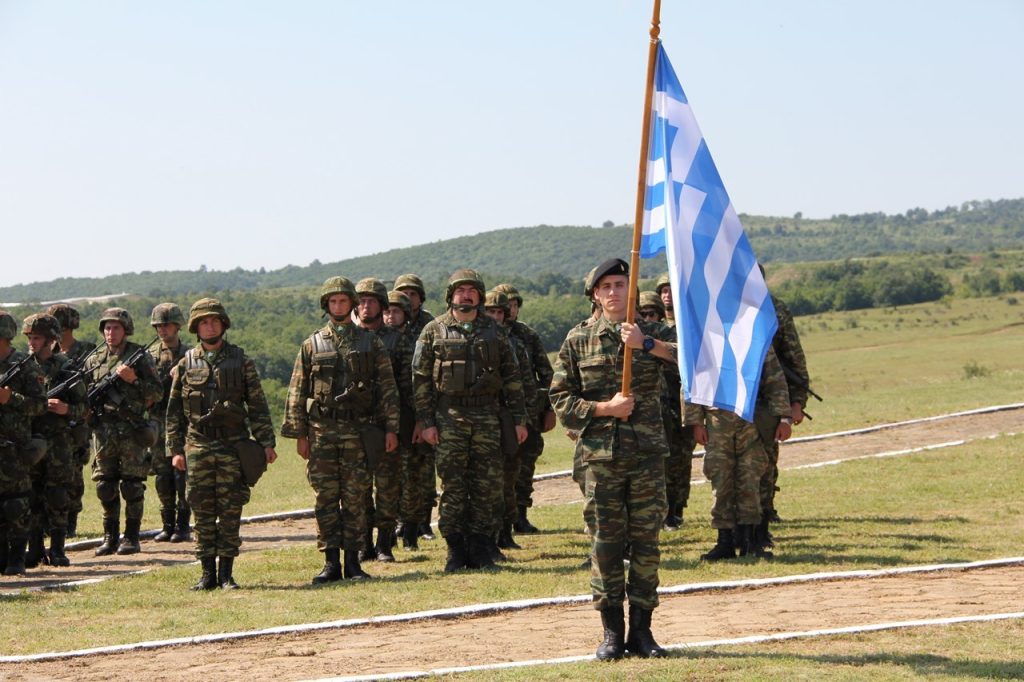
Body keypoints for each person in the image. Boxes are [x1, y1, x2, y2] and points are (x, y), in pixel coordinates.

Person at [549, 258, 676, 660]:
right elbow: (560, 399)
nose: (614, 293)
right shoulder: (578, 340)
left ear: (631, 290)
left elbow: (695, 361)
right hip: (599, 460)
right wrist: (605, 409)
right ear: (595, 295)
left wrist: (647, 345)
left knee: (646, 545)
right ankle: (610, 632)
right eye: (605, 286)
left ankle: (642, 631)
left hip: (646, 456)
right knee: (605, 545)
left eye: (621, 284)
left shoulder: (653, 332)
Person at [281, 277, 399, 585]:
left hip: (358, 431)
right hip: (322, 431)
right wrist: (300, 434)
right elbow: (297, 390)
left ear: (352, 303)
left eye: (343, 301)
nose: (337, 306)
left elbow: (387, 388)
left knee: (356, 498)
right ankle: (330, 561)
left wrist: (391, 428)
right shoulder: (312, 344)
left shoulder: (370, 343)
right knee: (326, 499)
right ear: (326, 306)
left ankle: (353, 561)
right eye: (332, 302)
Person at [412, 269, 528, 572]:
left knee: (486, 485)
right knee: (453, 483)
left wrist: (519, 420)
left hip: (487, 416)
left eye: (472, 290)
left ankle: (481, 547)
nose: (466, 295)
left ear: (479, 295)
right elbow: (421, 379)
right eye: (460, 290)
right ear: (451, 295)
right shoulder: (433, 330)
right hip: (449, 417)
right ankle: (455, 549)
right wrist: (426, 421)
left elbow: (512, 377)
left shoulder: (495, 331)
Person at [166, 298, 278, 590]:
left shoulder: (241, 362)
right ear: (195, 327)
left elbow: (258, 406)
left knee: (230, 510)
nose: (210, 326)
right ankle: (206, 574)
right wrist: (175, 450)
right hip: (198, 447)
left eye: (215, 321)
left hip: (232, 446)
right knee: (201, 510)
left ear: (223, 324)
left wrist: (266, 442)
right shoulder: (185, 364)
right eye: (204, 322)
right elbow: (174, 411)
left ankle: (226, 573)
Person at [688, 347, 791, 561]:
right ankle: (724, 540)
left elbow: (775, 379)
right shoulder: (707, 333)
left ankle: (750, 540)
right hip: (717, 423)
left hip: (751, 420)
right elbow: (691, 380)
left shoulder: (754, 331)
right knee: (721, 481)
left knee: (750, 479)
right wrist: (695, 421)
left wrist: (783, 418)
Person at [83, 307, 162, 557]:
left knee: (132, 486)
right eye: (107, 327)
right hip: (103, 432)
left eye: (116, 327)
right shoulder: (94, 360)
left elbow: (157, 393)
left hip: (131, 432)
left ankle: (131, 537)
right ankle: (110, 536)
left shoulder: (140, 357)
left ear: (125, 330)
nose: (110, 332)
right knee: (105, 486)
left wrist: (133, 380)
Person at [353, 278, 412, 563]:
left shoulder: (398, 342)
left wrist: (402, 426)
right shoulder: (349, 340)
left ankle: (385, 543)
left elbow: (407, 388)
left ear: (382, 305)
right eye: (361, 301)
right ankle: (363, 543)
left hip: (388, 422)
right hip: (355, 427)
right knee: (359, 487)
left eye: (371, 301)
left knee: (388, 487)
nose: (365, 307)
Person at [23, 313, 87, 568]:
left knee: (58, 496)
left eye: (36, 337)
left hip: (60, 443)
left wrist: (66, 410)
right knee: (32, 497)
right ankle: (35, 548)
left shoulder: (67, 369)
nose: (32, 343)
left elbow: (85, 409)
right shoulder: (23, 367)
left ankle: (58, 549)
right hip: (31, 440)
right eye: (29, 337)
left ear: (50, 340)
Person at [492, 283, 555, 535]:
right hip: (497, 414)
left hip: (529, 413)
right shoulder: (489, 336)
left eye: (513, 305)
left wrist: (549, 408)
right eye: (503, 306)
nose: (510, 309)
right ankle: (502, 520)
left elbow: (547, 374)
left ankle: (521, 514)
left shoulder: (526, 336)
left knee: (525, 467)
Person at [755, 264, 810, 531]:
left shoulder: (775, 309)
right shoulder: (721, 308)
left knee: (766, 457)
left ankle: (765, 509)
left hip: (769, 398)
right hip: (733, 402)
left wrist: (796, 403)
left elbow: (794, 359)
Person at [483, 289, 537, 554]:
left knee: (509, 476)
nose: (494, 317)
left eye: (499, 312)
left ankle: (505, 532)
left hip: (507, 418)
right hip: (480, 417)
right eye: (489, 311)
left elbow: (524, 383)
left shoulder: (514, 343)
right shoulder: (474, 341)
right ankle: (486, 536)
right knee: (485, 480)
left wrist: (522, 419)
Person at [638, 288, 695, 530]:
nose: (649, 318)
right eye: (644, 313)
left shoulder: (664, 338)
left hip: (673, 408)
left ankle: (674, 509)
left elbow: (684, 360)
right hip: (647, 414)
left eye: (653, 314)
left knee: (677, 464)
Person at [0, 310, 47, 576]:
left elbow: (40, 406)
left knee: (15, 504)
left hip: (14, 448)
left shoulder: (25, 364)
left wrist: (11, 399)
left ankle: (17, 557)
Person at [394, 273, 437, 539]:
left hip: (424, 405)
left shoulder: (429, 324)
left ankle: (424, 522)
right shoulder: (390, 322)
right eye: (403, 294)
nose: (408, 298)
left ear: (420, 298)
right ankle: (403, 520)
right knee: (400, 468)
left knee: (425, 466)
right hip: (397, 408)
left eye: (412, 294)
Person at [46, 303, 95, 538]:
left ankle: (71, 521)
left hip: (77, 421)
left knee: (74, 474)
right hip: (50, 424)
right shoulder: (47, 353)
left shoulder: (87, 351)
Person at [386, 289, 429, 550]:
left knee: (415, 478)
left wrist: (421, 420)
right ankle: (389, 531)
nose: (391, 316)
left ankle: (412, 530)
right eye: (388, 311)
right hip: (388, 419)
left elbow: (421, 385)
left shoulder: (419, 340)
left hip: (412, 416)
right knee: (390, 480)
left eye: (397, 311)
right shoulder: (377, 340)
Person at [147, 303, 193, 543]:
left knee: (181, 475)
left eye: (167, 325)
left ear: (177, 325)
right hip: (157, 420)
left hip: (184, 422)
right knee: (163, 476)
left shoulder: (190, 354)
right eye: (159, 326)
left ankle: (183, 524)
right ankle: (167, 524)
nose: (162, 330)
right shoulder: (149, 356)